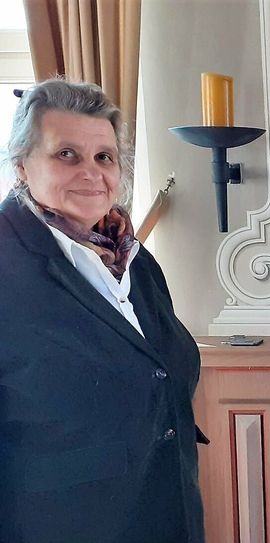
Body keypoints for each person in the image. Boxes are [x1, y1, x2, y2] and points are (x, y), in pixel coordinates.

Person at [0, 80, 206, 542]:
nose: (91, 173)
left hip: (167, 515)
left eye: (104, 157)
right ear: (22, 165)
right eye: (67, 154)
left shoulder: (135, 259)